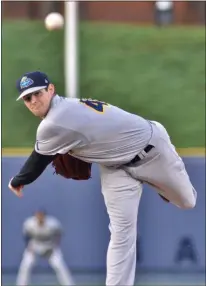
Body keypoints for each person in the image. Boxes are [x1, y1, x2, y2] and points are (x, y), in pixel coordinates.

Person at [9, 71, 197, 286]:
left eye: (37, 93)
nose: (33, 101)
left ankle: (160, 183)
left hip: (152, 150)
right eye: (27, 98)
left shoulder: (54, 121)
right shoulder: (64, 111)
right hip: (115, 168)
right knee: (121, 233)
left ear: (51, 89)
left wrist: (17, 180)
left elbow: (37, 162)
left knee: (187, 202)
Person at [16, 209, 74, 286]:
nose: (39, 217)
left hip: (50, 246)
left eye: (41, 215)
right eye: (38, 215)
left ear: (44, 216)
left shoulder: (53, 223)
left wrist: (55, 245)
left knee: (59, 265)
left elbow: (59, 234)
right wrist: (28, 246)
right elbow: (26, 236)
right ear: (35, 216)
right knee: (26, 265)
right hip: (35, 246)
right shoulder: (29, 223)